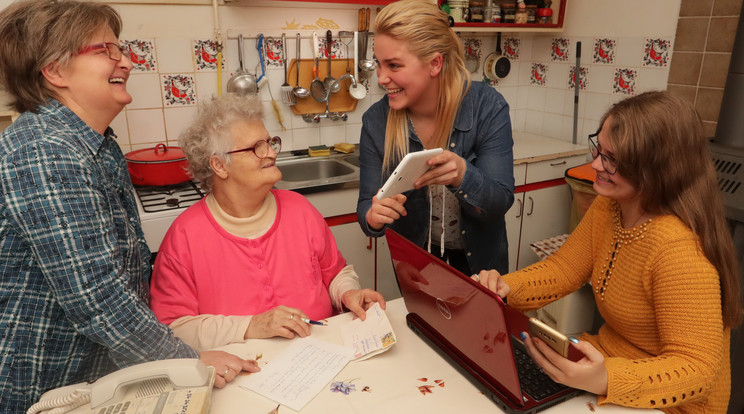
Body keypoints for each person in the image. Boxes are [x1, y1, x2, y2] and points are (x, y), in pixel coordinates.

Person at [0, 1, 257, 411]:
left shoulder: (96, 144)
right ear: (56, 71)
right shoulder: (46, 150)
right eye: (107, 51)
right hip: (46, 382)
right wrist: (187, 360)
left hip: (98, 373)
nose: (127, 62)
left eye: (122, 49)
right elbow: (97, 298)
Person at [476, 91, 743, 413]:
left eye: (612, 160)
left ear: (657, 168)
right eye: (599, 149)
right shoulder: (610, 205)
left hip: (667, 401)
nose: (596, 165)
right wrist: (506, 288)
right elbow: (563, 270)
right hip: (606, 367)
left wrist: (607, 378)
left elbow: (697, 371)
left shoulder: (679, 251)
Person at [149, 93, 386, 351]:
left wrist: (347, 293)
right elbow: (173, 329)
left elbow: (336, 273)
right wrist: (251, 326)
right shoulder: (184, 238)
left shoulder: (300, 210)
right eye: (256, 147)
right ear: (219, 165)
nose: (271, 153)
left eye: (270, 142)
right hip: (244, 373)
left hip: (322, 354)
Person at [356, 0, 515, 277]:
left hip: (482, 266)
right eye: (380, 65)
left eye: (393, 65)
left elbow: (499, 203)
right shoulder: (375, 122)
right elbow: (365, 208)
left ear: (434, 63)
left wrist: (463, 174)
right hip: (416, 265)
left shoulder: (487, 107)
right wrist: (373, 216)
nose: (381, 78)